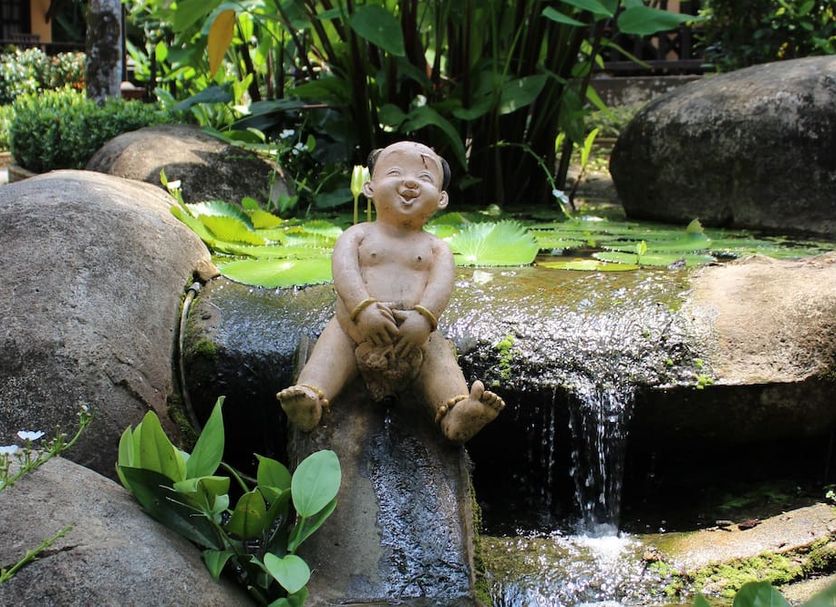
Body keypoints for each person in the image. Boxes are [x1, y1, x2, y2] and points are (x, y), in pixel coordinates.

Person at [277, 141, 504, 443]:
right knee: (332, 346)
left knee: (439, 358)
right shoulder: (357, 235)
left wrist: (424, 319)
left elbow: (440, 286)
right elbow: (345, 274)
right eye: (395, 173)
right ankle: (311, 396)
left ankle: (456, 411)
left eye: (424, 178)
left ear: (442, 198)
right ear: (370, 187)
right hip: (356, 328)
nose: (410, 182)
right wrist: (363, 308)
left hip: (415, 336)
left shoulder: (437, 248)